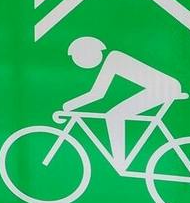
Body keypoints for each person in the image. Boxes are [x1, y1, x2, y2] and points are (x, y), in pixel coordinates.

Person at [55, 35, 182, 172]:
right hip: (165, 87)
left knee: (114, 116)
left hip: (164, 89)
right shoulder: (112, 58)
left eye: (80, 57)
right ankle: (122, 161)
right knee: (115, 114)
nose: (80, 61)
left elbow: (97, 93)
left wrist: (69, 106)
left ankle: (120, 163)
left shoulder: (113, 58)